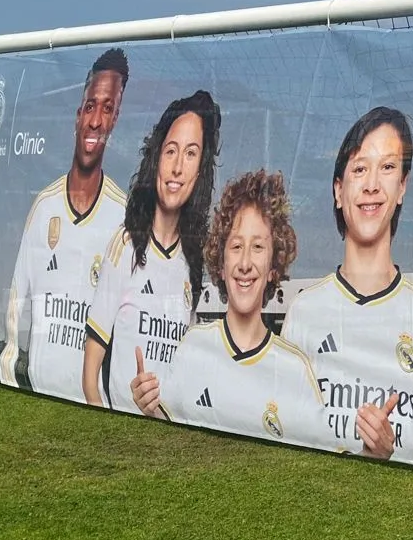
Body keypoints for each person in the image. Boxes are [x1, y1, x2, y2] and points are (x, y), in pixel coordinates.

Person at [282, 107, 413, 474]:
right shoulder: (304, 315)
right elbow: (286, 463)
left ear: (402, 187)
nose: (372, 185)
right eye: (360, 169)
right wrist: (366, 461)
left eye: (387, 167)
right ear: (338, 191)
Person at [136, 168, 332, 449]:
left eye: (258, 247)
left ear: (273, 267)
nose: (245, 264)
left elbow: (323, 461)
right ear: (221, 263)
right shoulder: (194, 346)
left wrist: (372, 453)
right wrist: (149, 408)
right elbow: (171, 441)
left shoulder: (294, 369)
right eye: (236, 246)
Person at [0, 48, 129, 400]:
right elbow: (17, 305)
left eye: (107, 109)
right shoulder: (44, 206)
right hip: (37, 393)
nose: (96, 120)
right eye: (90, 106)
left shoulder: (124, 216)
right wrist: (10, 380)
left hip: (94, 401)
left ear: (115, 120)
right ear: (77, 114)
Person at [82, 90, 219, 411]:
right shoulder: (127, 245)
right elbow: (90, 376)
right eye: (171, 151)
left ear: (200, 172)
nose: (177, 167)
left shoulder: (194, 261)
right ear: (157, 158)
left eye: (191, 153)